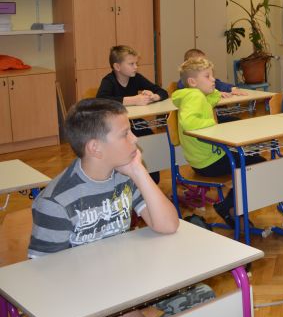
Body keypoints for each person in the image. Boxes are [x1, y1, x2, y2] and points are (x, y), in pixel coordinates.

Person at [28, 98, 214, 317]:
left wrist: (138, 171)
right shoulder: (56, 202)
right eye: (125, 134)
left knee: (203, 298)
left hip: (127, 287)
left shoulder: (121, 177)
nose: (135, 139)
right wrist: (122, 312)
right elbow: (46, 279)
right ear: (95, 148)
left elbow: (168, 224)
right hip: (82, 304)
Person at [172, 57, 265, 227]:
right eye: (207, 76)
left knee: (250, 159)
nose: (213, 79)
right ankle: (228, 206)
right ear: (192, 82)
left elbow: (209, 102)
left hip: (206, 159)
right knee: (256, 164)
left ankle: (232, 203)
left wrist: (214, 93)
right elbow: (188, 122)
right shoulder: (194, 96)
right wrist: (213, 124)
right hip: (209, 162)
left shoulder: (198, 95)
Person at [96, 45, 168, 183]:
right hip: (115, 128)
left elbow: (162, 91)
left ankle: (151, 180)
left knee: (150, 141)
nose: (136, 67)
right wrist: (133, 100)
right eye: (131, 64)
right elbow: (100, 100)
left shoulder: (136, 78)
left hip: (135, 123)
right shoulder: (109, 81)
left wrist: (154, 96)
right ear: (117, 66)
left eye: (136, 63)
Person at [176, 48, 245, 96]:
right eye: (200, 63)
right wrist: (216, 94)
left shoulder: (209, 81)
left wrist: (232, 88)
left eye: (205, 62)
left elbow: (220, 84)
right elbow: (189, 96)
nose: (213, 79)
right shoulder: (183, 84)